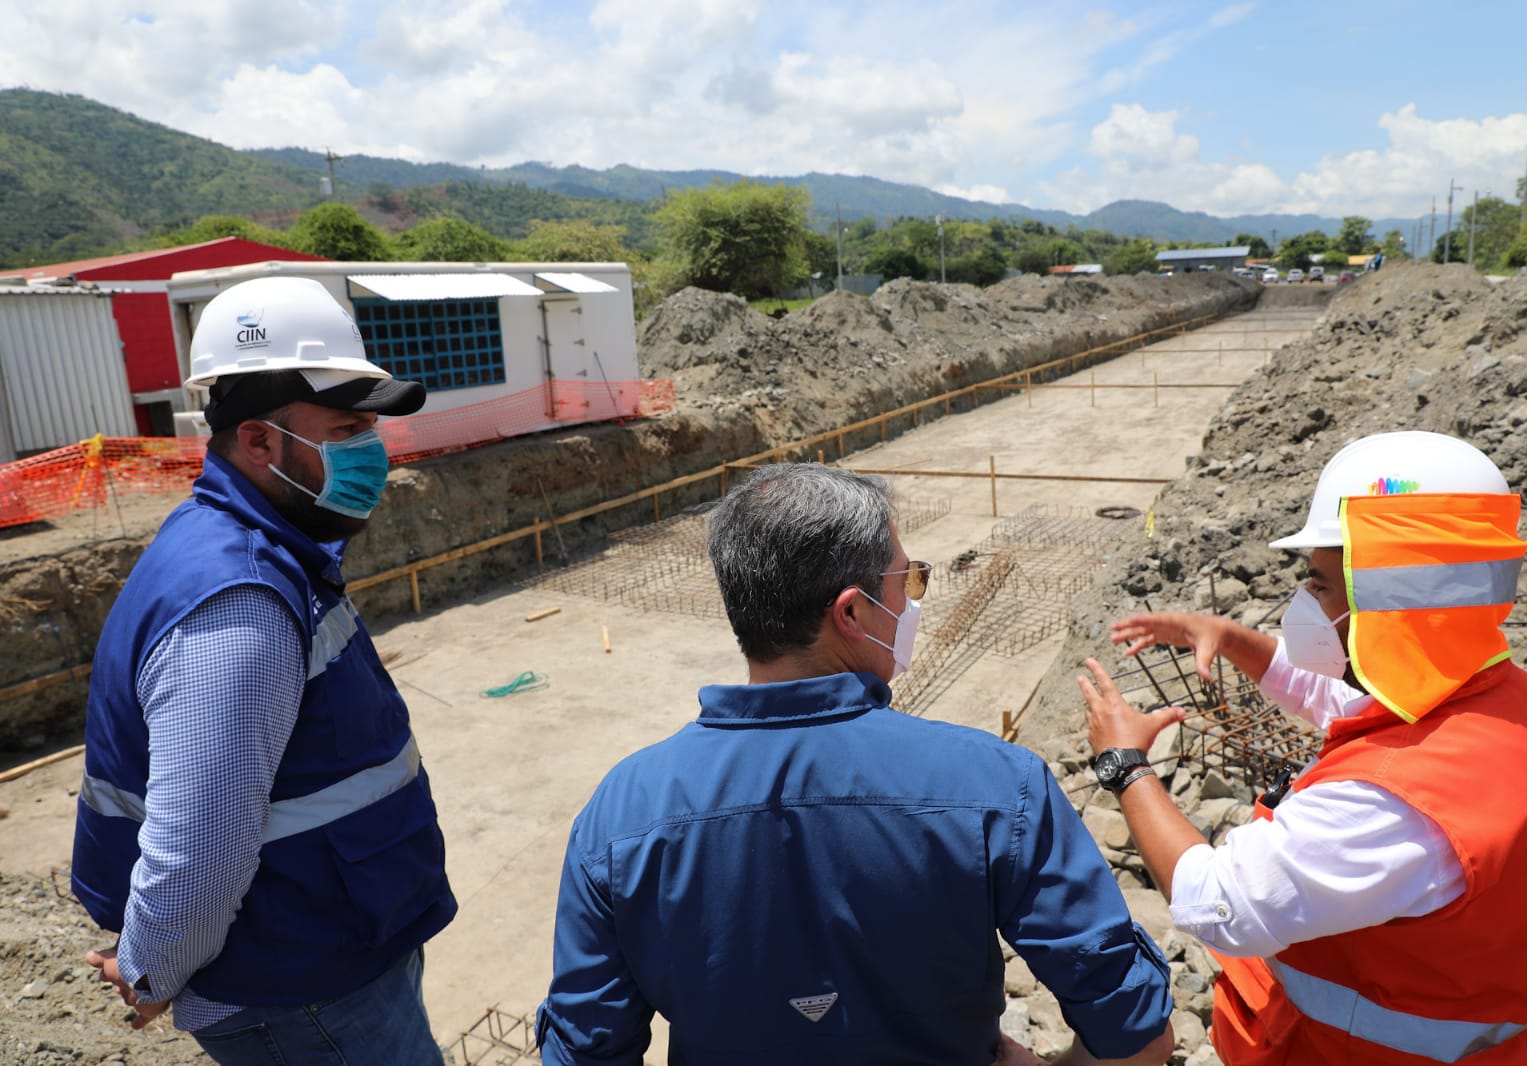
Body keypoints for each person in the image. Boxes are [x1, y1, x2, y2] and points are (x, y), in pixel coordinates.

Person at [536, 463, 1175, 1066]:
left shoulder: (619, 814)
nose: (913, 601)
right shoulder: (996, 787)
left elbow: (584, 1048)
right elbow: (1138, 1036)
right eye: (907, 581)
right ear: (851, 612)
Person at [1078, 430, 1527, 1064]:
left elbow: (1219, 902)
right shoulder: (1512, 702)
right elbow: (1336, 697)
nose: (1305, 603)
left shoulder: (1391, 805)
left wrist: (1125, 767)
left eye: (1319, 583)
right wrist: (1230, 637)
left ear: (1392, 596)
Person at [72, 276, 457, 1065]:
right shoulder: (238, 600)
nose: (371, 452)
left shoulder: (259, 548)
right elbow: (197, 847)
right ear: (258, 443)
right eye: (347, 429)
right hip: (302, 992)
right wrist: (150, 973)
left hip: (331, 950)